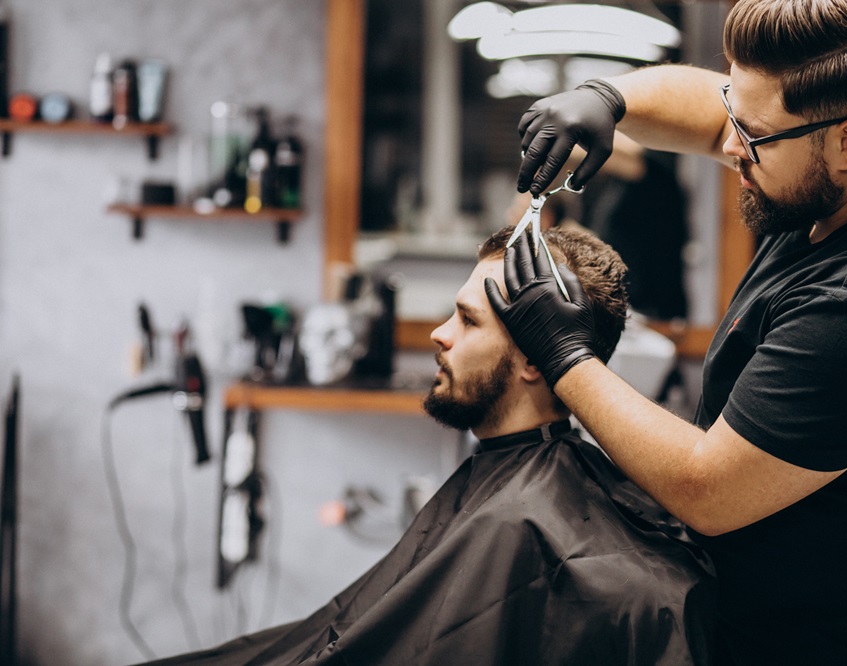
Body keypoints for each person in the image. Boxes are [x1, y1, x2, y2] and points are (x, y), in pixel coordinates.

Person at [486, 1, 847, 664]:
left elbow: (709, 490)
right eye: (736, 112)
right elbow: (717, 109)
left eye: (750, 137)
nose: (730, 147)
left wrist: (563, 353)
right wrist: (607, 97)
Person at [143, 225, 716, 666]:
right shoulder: (522, 497)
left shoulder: (524, 524)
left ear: (535, 362)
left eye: (467, 320)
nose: (440, 334)